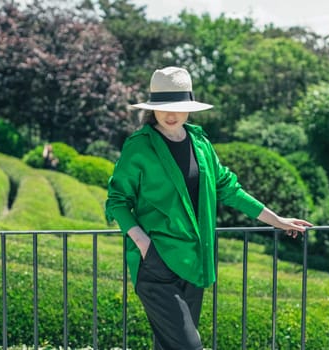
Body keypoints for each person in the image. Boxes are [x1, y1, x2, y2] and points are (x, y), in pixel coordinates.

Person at [105, 66, 313, 350]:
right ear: (152, 107)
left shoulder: (200, 143)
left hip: (195, 262)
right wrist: (143, 244)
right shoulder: (139, 146)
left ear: (189, 107)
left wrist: (276, 220)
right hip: (156, 264)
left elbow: (229, 189)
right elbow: (117, 200)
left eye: (178, 106)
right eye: (163, 106)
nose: (171, 113)